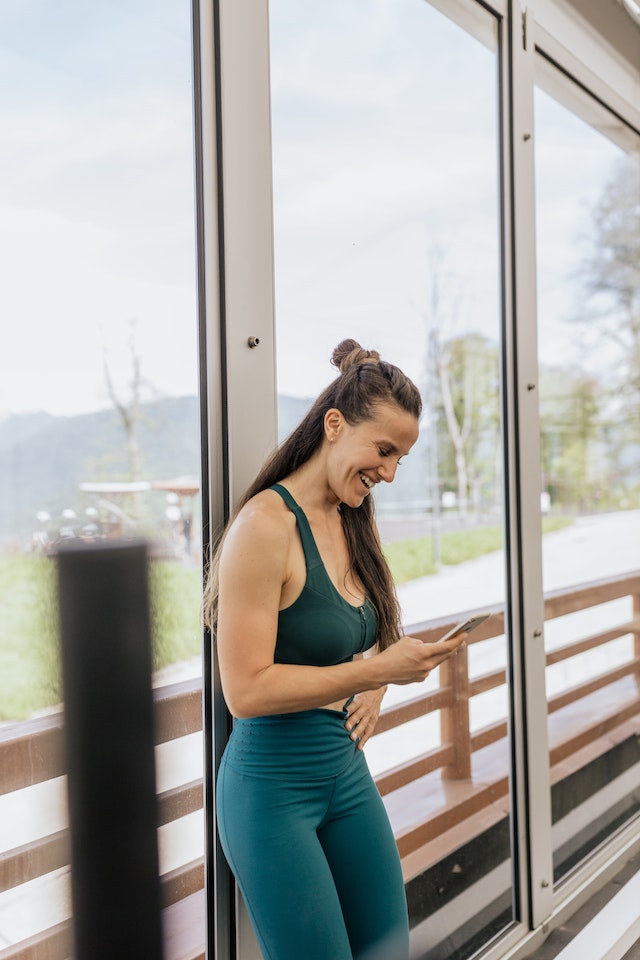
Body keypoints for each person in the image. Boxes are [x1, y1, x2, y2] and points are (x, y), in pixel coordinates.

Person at [203, 339, 467, 960]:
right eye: (384, 450)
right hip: (272, 794)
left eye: (401, 457)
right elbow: (245, 691)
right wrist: (376, 670)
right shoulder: (265, 527)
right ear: (333, 425)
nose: (390, 472)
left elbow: (362, 630)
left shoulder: (351, 516)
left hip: (345, 775)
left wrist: (373, 683)